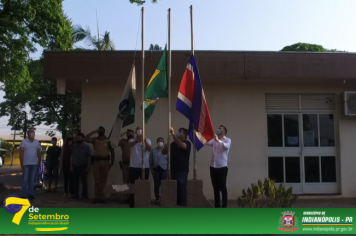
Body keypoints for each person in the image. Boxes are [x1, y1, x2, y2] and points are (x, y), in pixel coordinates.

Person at [85, 126, 115, 204]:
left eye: (102, 130)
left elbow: (112, 151)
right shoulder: (95, 139)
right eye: (99, 130)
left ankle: (103, 197)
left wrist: (112, 162)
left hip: (105, 162)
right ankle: (96, 196)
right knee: (97, 181)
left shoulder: (108, 140)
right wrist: (93, 131)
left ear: (104, 131)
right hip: (96, 162)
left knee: (104, 181)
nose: (100, 131)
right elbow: (85, 139)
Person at [162, 127, 191, 206]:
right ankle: (176, 205)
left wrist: (173, 134)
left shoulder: (187, 143)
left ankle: (182, 205)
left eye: (180, 132)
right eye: (178, 131)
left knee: (182, 188)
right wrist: (169, 140)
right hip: (173, 170)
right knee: (174, 189)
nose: (179, 133)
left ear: (184, 134)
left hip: (182, 171)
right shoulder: (173, 144)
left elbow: (182, 145)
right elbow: (164, 152)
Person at [206, 125, 231, 208]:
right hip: (213, 167)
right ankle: (217, 206)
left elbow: (226, 146)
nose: (218, 129)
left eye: (220, 129)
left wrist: (218, 141)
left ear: (224, 132)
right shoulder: (213, 140)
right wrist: (199, 135)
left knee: (222, 187)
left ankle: (224, 206)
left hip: (222, 167)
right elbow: (206, 142)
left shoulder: (227, 140)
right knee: (215, 187)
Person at [128, 126, 152, 207]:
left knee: (144, 186)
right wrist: (137, 140)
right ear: (135, 132)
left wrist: (144, 140)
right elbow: (130, 144)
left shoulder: (147, 140)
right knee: (133, 186)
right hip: (134, 166)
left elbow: (149, 149)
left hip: (145, 166)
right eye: (138, 130)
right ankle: (132, 205)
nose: (140, 131)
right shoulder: (132, 139)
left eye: (141, 129)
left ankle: (144, 204)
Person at [20, 129, 42, 199]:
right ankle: (23, 194)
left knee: (32, 180)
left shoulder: (37, 142)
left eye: (33, 132)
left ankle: (31, 194)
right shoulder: (24, 142)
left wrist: (39, 162)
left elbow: (39, 153)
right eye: (31, 132)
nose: (33, 134)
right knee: (25, 180)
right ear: (28, 134)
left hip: (34, 164)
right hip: (26, 164)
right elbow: (21, 153)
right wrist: (21, 163)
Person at [71, 133, 91, 200]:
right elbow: (72, 156)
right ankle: (76, 195)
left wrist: (88, 166)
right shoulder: (74, 147)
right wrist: (71, 166)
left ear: (83, 138)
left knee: (84, 182)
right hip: (75, 166)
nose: (78, 139)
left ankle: (84, 196)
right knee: (75, 182)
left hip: (83, 166)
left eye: (80, 138)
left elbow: (88, 157)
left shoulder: (87, 147)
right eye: (77, 138)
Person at [118, 129, 134, 204]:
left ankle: (132, 198)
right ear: (126, 134)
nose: (130, 134)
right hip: (125, 164)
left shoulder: (135, 141)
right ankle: (125, 198)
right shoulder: (123, 141)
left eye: (132, 133)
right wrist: (122, 134)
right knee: (125, 182)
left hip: (134, 165)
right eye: (129, 133)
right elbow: (114, 142)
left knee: (133, 182)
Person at [149, 137, 167, 204]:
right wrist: (151, 170)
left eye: (161, 141)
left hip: (164, 169)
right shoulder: (153, 151)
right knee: (156, 184)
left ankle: (163, 198)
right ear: (157, 142)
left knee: (164, 184)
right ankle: (157, 198)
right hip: (156, 169)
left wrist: (168, 171)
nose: (160, 142)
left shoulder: (166, 151)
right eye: (159, 141)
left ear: (163, 142)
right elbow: (150, 161)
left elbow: (169, 161)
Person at [60, 133, 74, 198]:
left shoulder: (74, 145)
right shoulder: (64, 145)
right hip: (65, 163)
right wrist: (61, 163)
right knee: (66, 178)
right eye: (68, 136)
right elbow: (62, 154)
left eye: (70, 136)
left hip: (73, 163)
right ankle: (65, 192)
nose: (69, 137)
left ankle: (71, 192)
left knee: (71, 178)